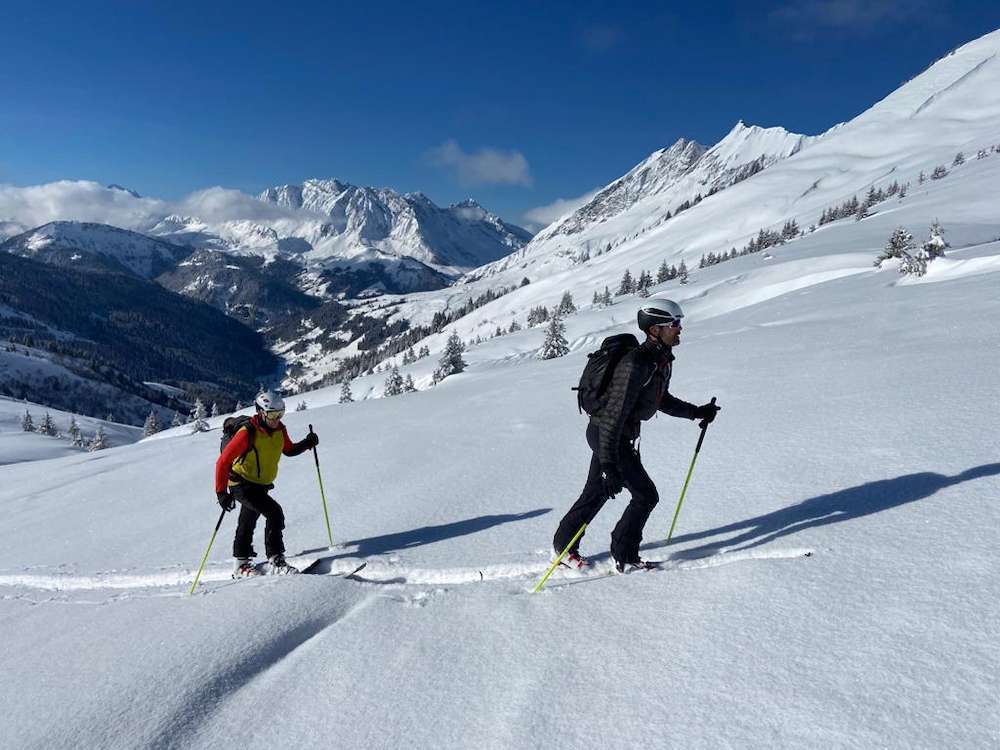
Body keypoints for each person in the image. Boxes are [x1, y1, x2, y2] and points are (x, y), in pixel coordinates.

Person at [552, 297, 720, 573]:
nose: (680, 329)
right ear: (655, 329)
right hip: (609, 434)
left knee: (596, 493)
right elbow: (613, 415)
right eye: (674, 324)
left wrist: (696, 412)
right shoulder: (637, 364)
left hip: (617, 434)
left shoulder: (658, 359)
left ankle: (563, 547)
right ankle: (625, 554)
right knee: (645, 495)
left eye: (679, 323)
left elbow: (659, 398)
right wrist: (608, 464)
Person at [215, 391, 319, 577]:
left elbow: (288, 449)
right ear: (261, 412)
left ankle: (241, 564)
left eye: (280, 414)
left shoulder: (280, 430)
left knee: (248, 521)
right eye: (272, 415)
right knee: (274, 513)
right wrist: (221, 493)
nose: (276, 419)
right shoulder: (247, 433)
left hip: (260, 486)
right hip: (241, 484)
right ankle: (276, 559)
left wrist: (307, 443)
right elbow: (223, 462)